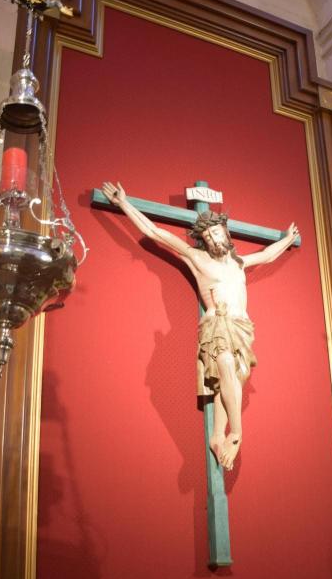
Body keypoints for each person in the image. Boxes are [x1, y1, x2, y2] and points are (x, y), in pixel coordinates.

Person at [101, 181, 300, 470]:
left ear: (226, 232)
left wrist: (288, 239)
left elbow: (268, 255)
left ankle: (218, 435)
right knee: (226, 365)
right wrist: (124, 203)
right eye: (206, 236)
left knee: (228, 380)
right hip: (216, 324)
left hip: (242, 328)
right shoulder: (197, 258)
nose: (212, 238)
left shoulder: (239, 263)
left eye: (216, 232)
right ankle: (237, 432)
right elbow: (154, 232)